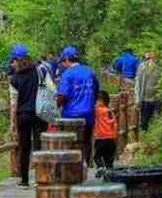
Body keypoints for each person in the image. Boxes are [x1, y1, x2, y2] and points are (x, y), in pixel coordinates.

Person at [10, 45, 48, 188]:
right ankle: (40, 178)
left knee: (24, 148)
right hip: (40, 113)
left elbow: (14, 103)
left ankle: (25, 180)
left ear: (16, 60)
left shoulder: (15, 79)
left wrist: (12, 122)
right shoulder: (40, 72)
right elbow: (49, 90)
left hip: (23, 115)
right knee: (39, 146)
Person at [57, 46, 99, 166]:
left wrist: (57, 104)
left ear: (66, 59)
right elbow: (96, 90)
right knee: (86, 141)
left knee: (70, 142)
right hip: (89, 114)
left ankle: (72, 167)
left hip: (71, 115)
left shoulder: (67, 74)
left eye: (62, 61)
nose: (62, 64)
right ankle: (87, 164)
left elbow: (63, 96)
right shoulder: (90, 71)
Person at [94, 90, 118, 177]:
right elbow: (114, 124)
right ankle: (109, 175)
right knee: (109, 159)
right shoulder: (110, 111)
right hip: (111, 139)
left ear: (99, 101)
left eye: (96, 100)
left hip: (100, 138)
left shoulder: (97, 110)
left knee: (97, 156)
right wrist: (114, 136)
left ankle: (100, 167)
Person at [134, 51, 160, 131]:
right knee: (144, 120)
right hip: (145, 98)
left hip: (156, 98)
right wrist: (138, 98)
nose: (152, 57)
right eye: (151, 55)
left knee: (154, 119)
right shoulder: (143, 66)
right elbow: (138, 82)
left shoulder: (159, 68)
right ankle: (144, 136)